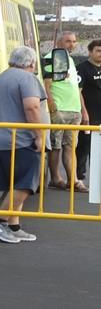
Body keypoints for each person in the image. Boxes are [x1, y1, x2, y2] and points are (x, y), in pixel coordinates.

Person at [0, 45, 48, 244]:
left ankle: (13, 226)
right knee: (26, 184)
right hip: (20, 139)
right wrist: (39, 135)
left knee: (14, 184)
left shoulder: (1, 78)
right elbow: (32, 106)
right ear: (32, 63)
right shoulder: (27, 78)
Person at [44, 30, 86, 194]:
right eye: (68, 41)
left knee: (70, 146)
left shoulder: (70, 59)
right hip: (59, 108)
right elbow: (46, 82)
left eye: (74, 41)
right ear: (60, 42)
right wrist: (51, 101)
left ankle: (72, 179)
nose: (72, 44)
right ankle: (56, 178)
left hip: (73, 109)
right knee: (56, 145)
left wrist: (81, 109)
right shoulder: (52, 57)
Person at [78, 39, 101, 187]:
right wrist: (84, 113)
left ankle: (97, 180)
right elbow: (77, 92)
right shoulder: (81, 68)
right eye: (98, 51)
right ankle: (78, 178)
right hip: (89, 116)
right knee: (84, 147)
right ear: (90, 52)